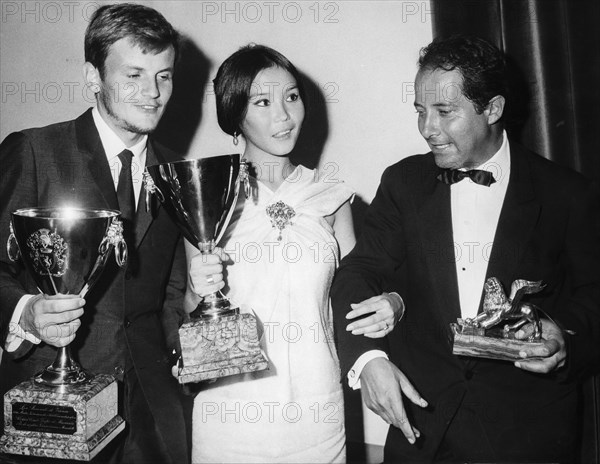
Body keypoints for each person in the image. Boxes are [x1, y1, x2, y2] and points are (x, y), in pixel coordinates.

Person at [331, 35, 600, 463]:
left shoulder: (567, 194)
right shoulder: (404, 184)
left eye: (444, 112)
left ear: (492, 108)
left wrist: (564, 339)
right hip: (423, 433)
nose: (426, 129)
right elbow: (356, 274)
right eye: (420, 111)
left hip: (529, 440)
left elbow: (593, 296)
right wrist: (368, 361)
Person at [184, 44, 401, 463]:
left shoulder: (332, 197)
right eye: (262, 102)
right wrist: (196, 289)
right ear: (235, 117)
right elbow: (191, 312)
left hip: (317, 410)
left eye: (292, 96)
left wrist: (391, 301)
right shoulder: (207, 197)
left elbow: (354, 297)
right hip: (230, 413)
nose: (284, 115)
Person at [0, 4, 190, 463]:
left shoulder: (175, 174)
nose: (153, 93)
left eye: (164, 76)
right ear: (93, 77)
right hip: (51, 414)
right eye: (134, 75)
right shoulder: (34, 151)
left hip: (150, 419)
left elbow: (170, 291)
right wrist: (26, 315)